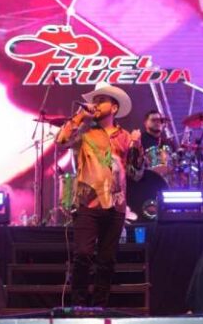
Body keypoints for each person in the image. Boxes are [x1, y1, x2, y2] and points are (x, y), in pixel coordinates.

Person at [56, 82, 144, 307]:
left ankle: (99, 305)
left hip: (116, 205)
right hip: (88, 202)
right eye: (94, 101)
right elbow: (61, 140)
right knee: (83, 254)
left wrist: (136, 145)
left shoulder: (125, 136)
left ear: (114, 108)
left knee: (107, 259)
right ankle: (78, 304)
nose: (95, 105)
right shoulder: (84, 133)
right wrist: (79, 116)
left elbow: (136, 172)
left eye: (100, 101)